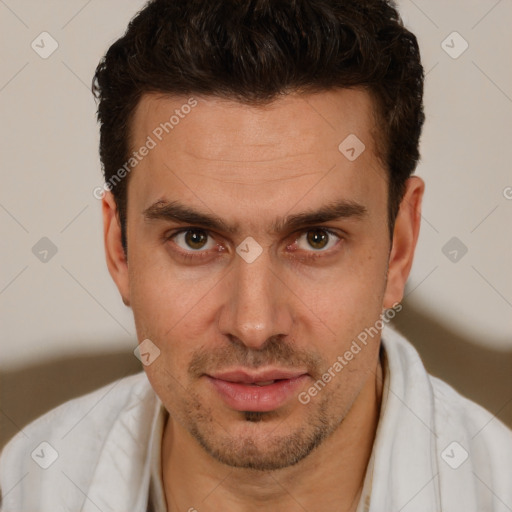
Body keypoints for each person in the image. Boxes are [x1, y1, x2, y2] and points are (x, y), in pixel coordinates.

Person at [1, 0, 511, 511]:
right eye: (195, 239)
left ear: (399, 247)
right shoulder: (26, 486)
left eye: (316, 239)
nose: (254, 325)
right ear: (119, 250)